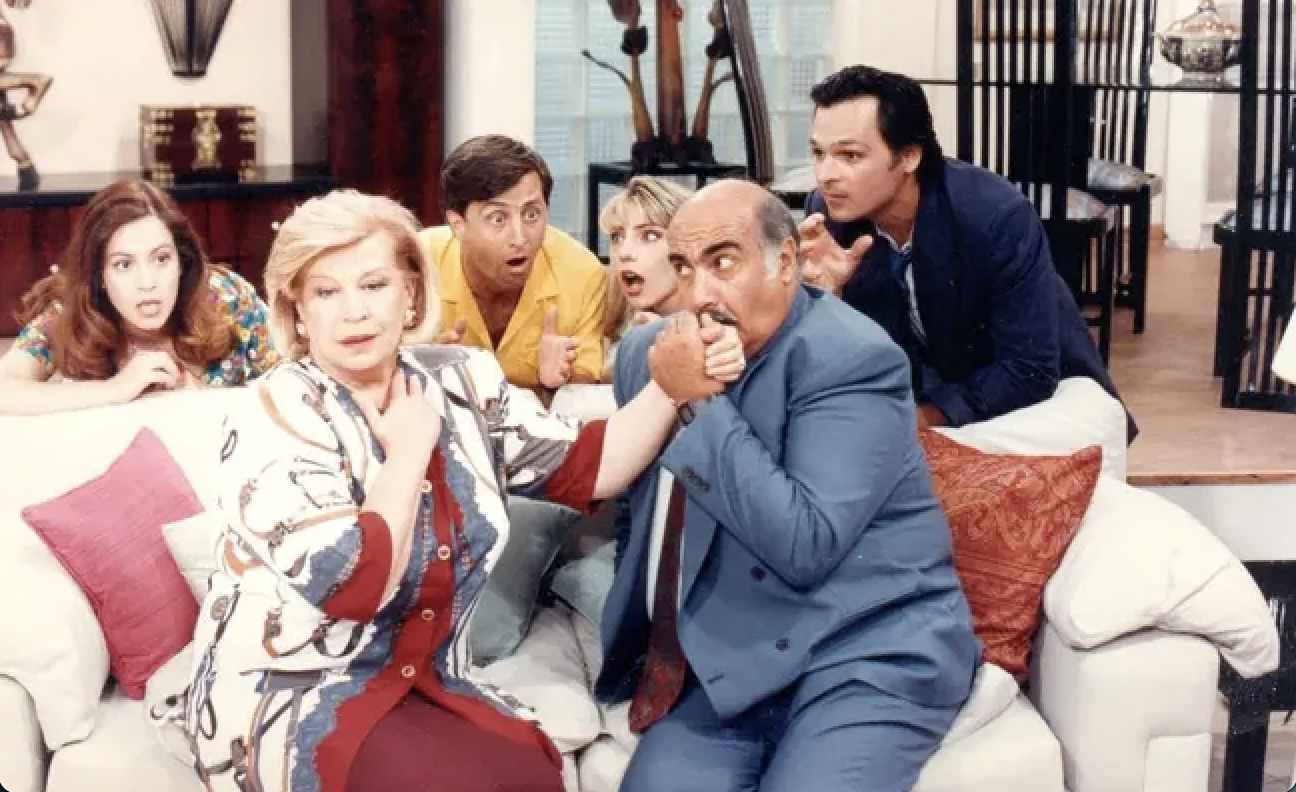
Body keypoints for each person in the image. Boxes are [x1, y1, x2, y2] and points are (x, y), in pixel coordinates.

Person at [161, 189, 746, 792]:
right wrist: (409, 450)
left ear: (411, 292)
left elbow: (591, 466)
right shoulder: (274, 412)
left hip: (422, 679)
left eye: (373, 285)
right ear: (299, 312)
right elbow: (353, 584)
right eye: (327, 292)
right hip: (295, 691)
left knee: (532, 776)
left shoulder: (461, 380)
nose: (354, 312)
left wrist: (670, 384)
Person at [598, 179, 980, 792]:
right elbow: (637, 511)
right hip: (734, 661)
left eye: (724, 262)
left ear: (784, 263)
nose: (701, 293)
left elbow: (805, 543)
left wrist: (697, 402)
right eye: (684, 267)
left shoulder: (851, 358)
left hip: (865, 651)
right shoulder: (647, 354)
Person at [799, 64, 1134, 438]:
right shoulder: (828, 216)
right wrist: (829, 300)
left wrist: (922, 418)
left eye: (850, 156)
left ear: (909, 157)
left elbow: (1029, 370)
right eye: (818, 153)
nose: (826, 175)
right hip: (930, 389)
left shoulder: (994, 214)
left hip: (1037, 392)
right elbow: (856, 363)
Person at [0, 179, 277, 415]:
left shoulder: (225, 296)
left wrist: (199, 398)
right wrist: (115, 389)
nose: (148, 283)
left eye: (161, 259)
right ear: (98, 274)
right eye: (124, 264)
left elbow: (291, 385)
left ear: (181, 261)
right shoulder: (69, 310)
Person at [419, 134, 609, 398]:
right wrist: (418, 368)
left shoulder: (582, 274)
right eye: (498, 219)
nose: (520, 238)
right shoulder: (415, 266)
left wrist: (555, 383)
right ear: (458, 224)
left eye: (532, 214)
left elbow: (585, 397)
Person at [599, 175, 693, 362]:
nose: (624, 252)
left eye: (649, 236)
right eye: (617, 237)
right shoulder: (614, 327)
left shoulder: (723, 339)